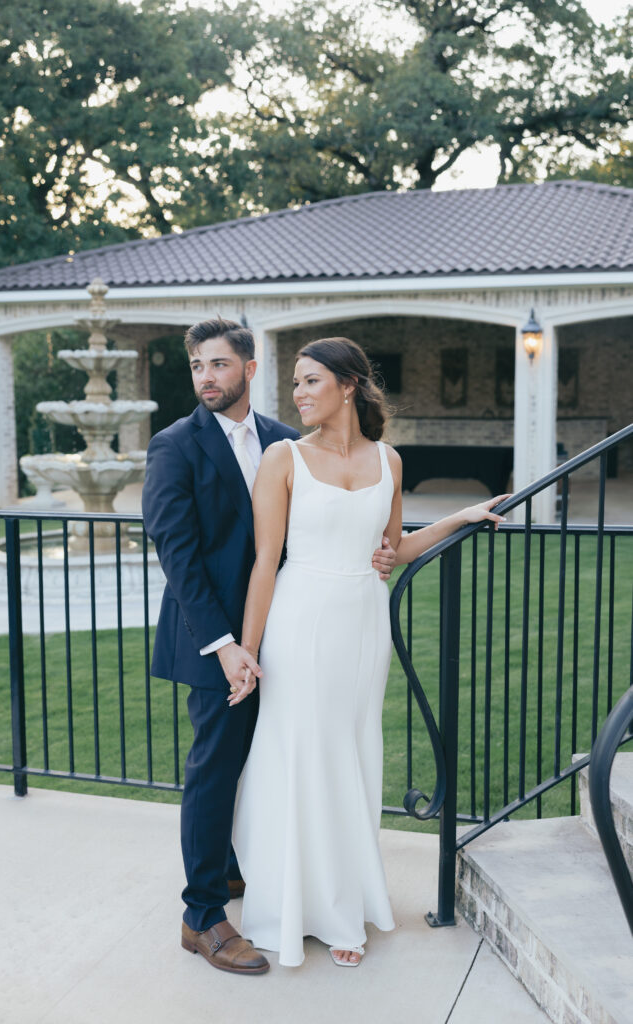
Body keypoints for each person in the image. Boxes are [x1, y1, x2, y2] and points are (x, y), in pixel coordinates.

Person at [230, 336, 509, 968]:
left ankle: (343, 907)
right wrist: (247, 652)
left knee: (352, 754)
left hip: (363, 622)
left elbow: (394, 548)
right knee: (302, 754)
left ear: (347, 385)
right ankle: (294, 905)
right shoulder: (282, 458)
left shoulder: (390, 461)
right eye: (295, 383)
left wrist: (458, 518)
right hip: (301, 620)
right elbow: (265, 563)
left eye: (309, 381)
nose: (297, 394)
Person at [141, 320, 397, 977]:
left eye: (219, 364)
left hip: (290, 638)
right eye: (197, 365)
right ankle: (201, 917)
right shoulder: (175, 446)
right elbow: (180, 558)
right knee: (215, 767)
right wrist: (228, 646)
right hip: (215, 643)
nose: (205, 377)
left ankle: (239, 873)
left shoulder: (290, 442)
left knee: (274, 761)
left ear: (249, 370)